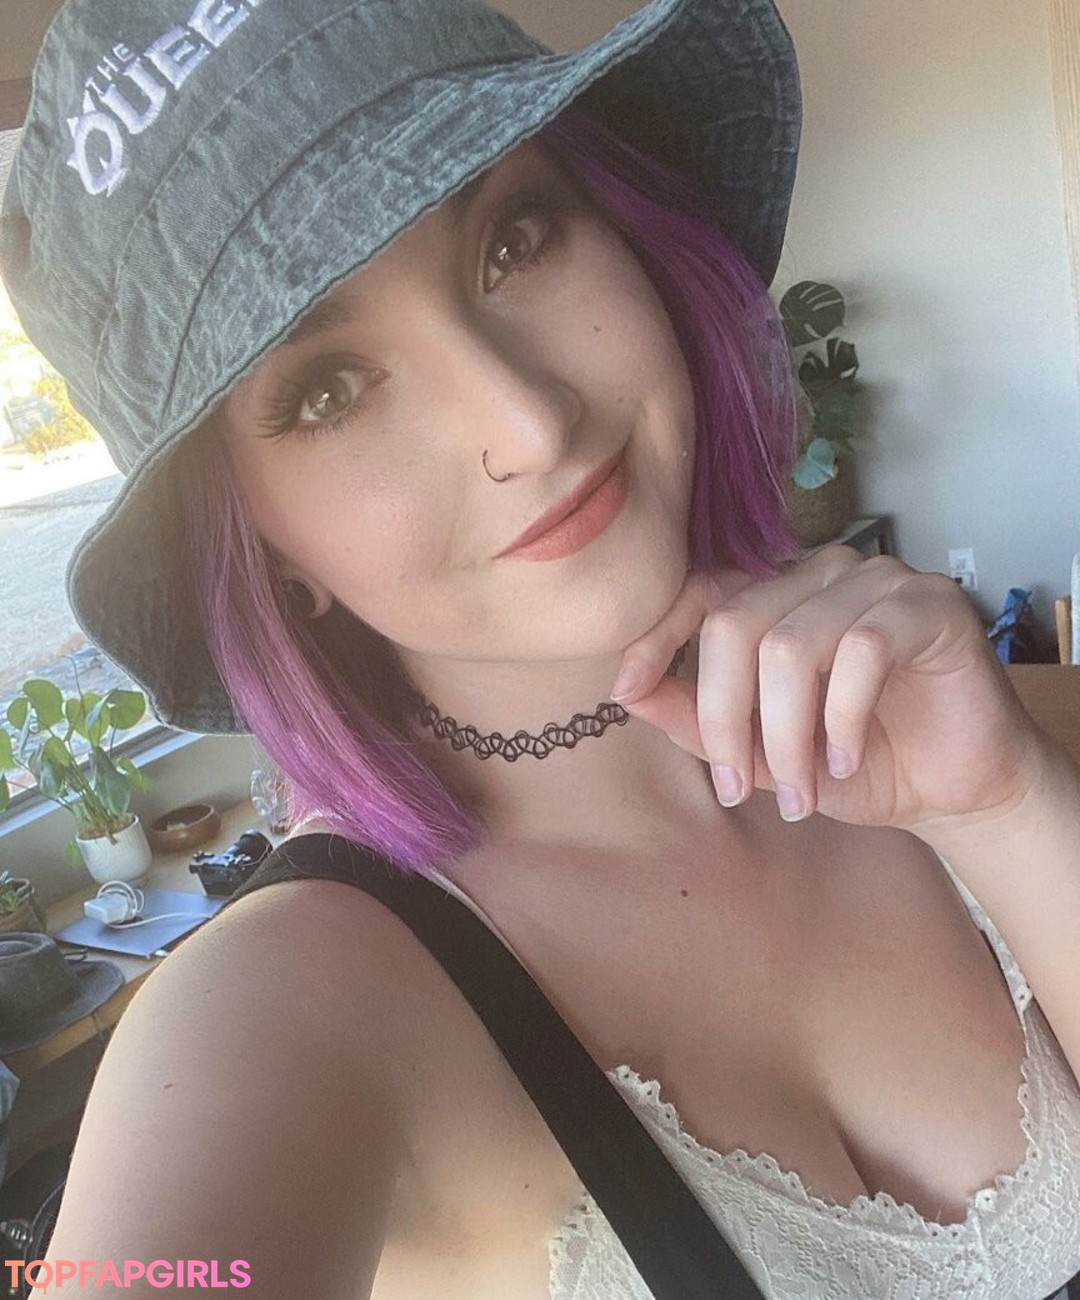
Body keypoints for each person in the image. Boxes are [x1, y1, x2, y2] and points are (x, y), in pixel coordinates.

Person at [3, 0, 1080, 1296]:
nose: (529, 420)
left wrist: (1009, 807)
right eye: (328, 392)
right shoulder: (280, 1008)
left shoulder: (913, 728)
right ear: (261, 543)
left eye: (515, 239)